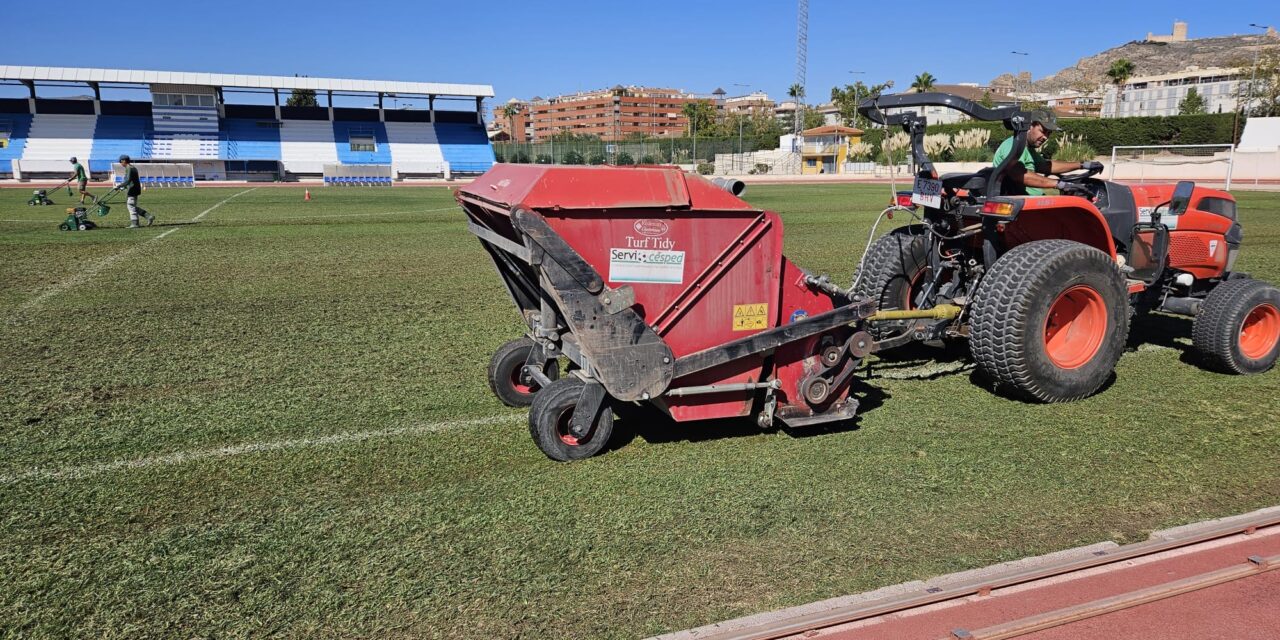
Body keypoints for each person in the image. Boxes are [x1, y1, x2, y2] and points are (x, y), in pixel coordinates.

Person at [992, 110, 1102, 196]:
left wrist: (1082, 165)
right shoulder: (1012, 145)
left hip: (1034, 200)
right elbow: (1020, 175)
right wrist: (1059, 184)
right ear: (1029, 126)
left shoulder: (1028, 149)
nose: (1045, 137)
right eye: (1043, 131)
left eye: (1049, 133)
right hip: (1022, 203)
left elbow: (1046, 166)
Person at [118, 155, 154, 228]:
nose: (121, 164)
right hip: (134, 189)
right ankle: (148, 216)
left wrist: (120, 185)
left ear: (124, 161)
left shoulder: (129, 168)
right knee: (133, 206)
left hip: (132, 190)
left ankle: (135, 223)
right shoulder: (133, 168)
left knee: (130, 206)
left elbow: (128, 180)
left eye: (121, 162)